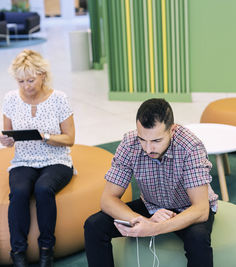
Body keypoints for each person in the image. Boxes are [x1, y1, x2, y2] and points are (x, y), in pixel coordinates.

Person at [84, 98, 218, 267]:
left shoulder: (191, 147)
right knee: (94, 225)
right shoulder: (129, 143)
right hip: (152, 205)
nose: (148, 149)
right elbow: (108, 199)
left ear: (173, 130)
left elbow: (201, 209)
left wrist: (153, 229)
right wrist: (139, 220)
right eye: (142, 139)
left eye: (156, 141)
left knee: (198, 239)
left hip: (187, 207)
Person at [0, 49, 75, 267]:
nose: (26, 86)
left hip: (56, 160)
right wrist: (6, 141)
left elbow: (70, 138)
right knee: (20, 193)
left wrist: (46, 137)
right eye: (21, 81)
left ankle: (46, 249)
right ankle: (18, 253)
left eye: (30, 80)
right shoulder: (10, 99)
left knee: (43, 189)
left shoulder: (59, 99)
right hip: (24, 161)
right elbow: (8, 135)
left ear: (43, 75)